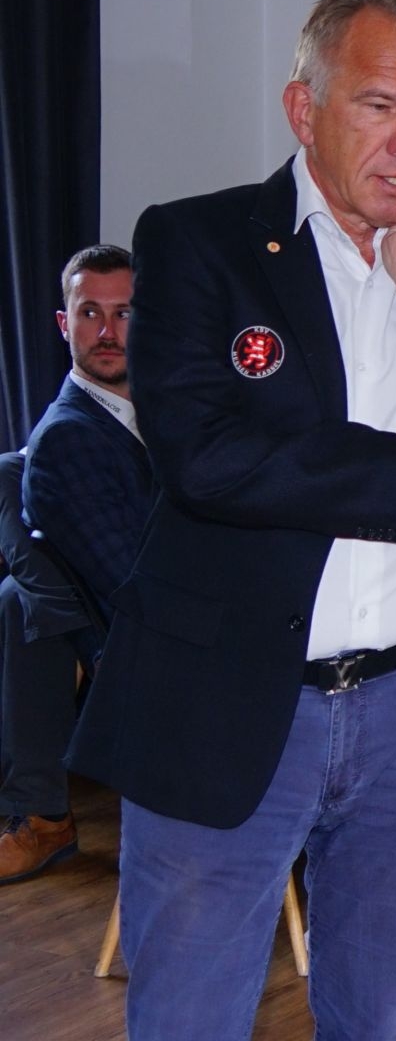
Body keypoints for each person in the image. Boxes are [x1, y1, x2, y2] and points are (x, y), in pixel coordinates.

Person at [68, 0, 396, 1040]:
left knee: (378, 1020)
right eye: (380, 106)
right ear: (304, 110)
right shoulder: (199, 242)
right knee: (189, 1020)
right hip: (227, 701)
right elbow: (208, 460)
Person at [0, 245, 154, 884]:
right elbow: (136, 586)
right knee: (21, 598)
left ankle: (42, 815)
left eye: (125, 313)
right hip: (160, 639)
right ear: (65, 325)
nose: (108, 331)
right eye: (90, 313)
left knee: (21, 596)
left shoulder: (171, 408)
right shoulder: (71, 435)